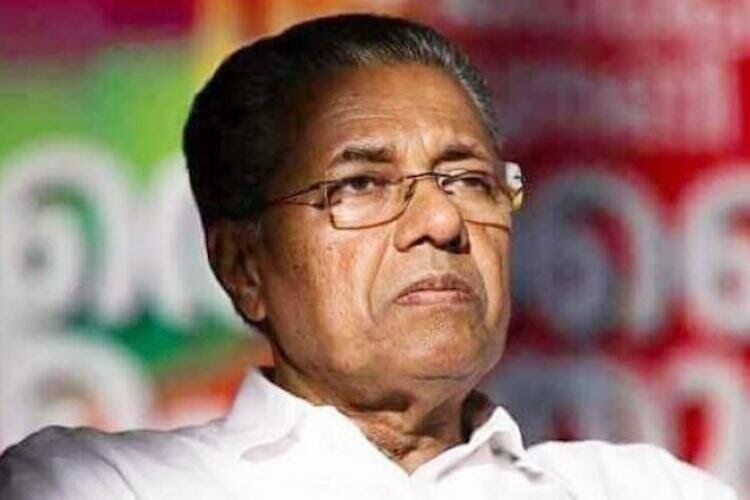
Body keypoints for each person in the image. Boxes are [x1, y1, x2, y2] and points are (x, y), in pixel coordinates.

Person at [0, 13, 737, 500]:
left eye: (469, 180)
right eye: (360, 184)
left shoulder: (645, 489)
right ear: (244, 268)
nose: (442, 220)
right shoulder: (103, 486)